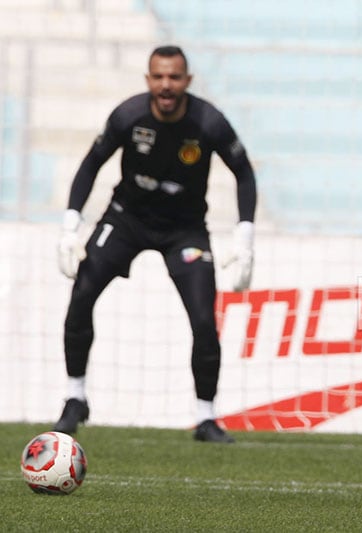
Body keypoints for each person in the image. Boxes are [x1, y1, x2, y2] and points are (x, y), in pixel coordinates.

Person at [53, 45, 257, 444]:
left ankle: (206, 418)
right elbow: (91, 163)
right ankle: (75, 398)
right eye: (159, 76)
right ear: (148, 79)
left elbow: (244, 173)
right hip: (125, 220)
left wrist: (245, 236)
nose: (166, 85)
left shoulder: (209, 122)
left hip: (185, 230)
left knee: (204, 319)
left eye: (174, 77)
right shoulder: (128, 116)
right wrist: (70, 225)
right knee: (82, 295)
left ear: (187, 81)